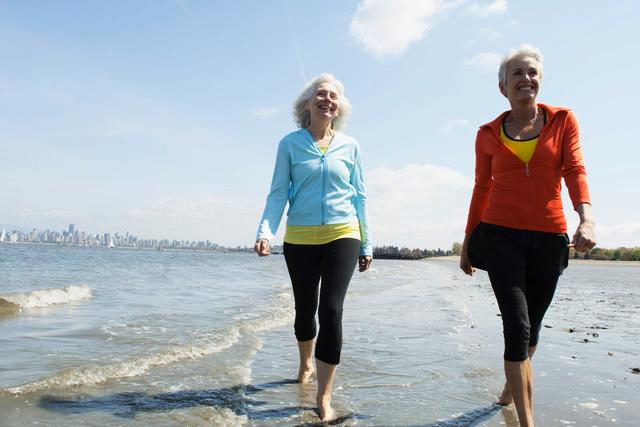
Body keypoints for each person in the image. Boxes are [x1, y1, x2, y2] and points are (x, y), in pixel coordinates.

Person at [460, 45, 596, 426]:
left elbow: (575, 170)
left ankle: (510, 387)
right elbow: (480, 188)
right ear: (503, 87)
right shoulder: (487, 133)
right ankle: (526, 422)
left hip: (549, 238)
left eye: (532, 72)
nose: (526, 79)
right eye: (517, 73)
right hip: (500, 235)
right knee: (516, 326)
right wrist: (468, 241)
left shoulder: (563, 120)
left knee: (532, 329)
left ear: (541, 81)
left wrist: (586, 218)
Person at [254, 73, 372, 421]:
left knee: (331, 310)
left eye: (333, 96)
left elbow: (360, 196)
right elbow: (278, 192)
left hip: (343, 232)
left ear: (339, 107)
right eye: (320, 94)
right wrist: (265, 232)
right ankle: (305, 362)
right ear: (308, 103)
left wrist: (366, 242)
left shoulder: (351, 146)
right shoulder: (289, 144)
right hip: (301, 237)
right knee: (305, 310)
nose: (327, 100)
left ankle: (323, 397)